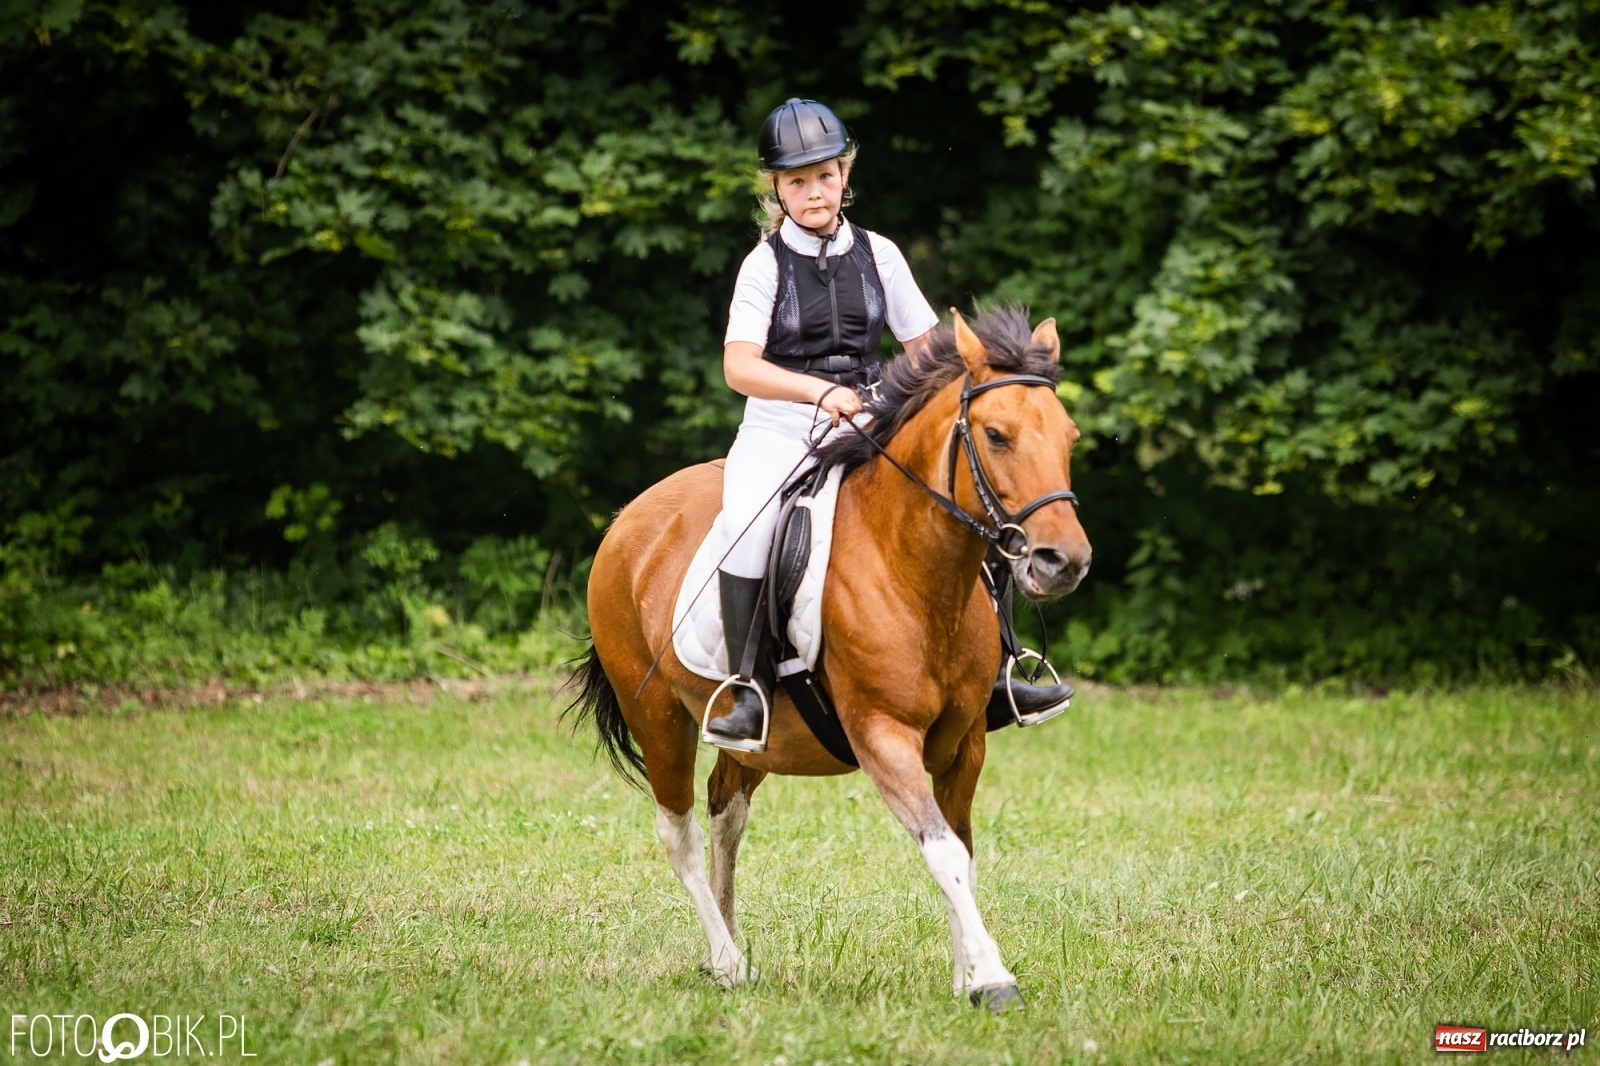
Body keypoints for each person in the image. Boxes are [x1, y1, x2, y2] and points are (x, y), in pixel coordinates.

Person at [704, 98, 1072, 752]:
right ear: (777, 188)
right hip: (780, 427)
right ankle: (748, 689)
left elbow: (927, 350)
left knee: (974, 503)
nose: (814, 193)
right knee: (747, 526)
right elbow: (740, 367)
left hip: (873, 418)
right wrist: (819, 392)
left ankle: (1002, 671)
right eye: (797, 181)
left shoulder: (880, 254)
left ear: (844, 175)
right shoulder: (764, 265)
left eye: (825, 177)